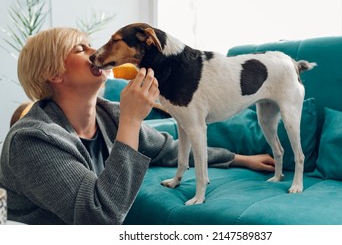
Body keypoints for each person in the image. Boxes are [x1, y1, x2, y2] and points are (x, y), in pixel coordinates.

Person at [0, 27, 274, 225]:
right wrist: (132, 120)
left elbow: (167, 149)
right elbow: (98, 218)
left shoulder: (108, 116)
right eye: (81, 49)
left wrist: (240, 159)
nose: (97, 51)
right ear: (53, 73)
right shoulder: (31, 140)